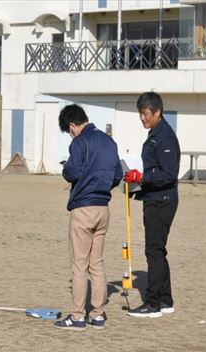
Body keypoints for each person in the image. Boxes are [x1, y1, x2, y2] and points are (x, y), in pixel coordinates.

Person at [54, 104, 123, 331]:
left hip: (83, 208)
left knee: (79, 265)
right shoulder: (109, 142)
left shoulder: (79, 142)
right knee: (97, 264)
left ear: (73, 126)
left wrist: (66, 169)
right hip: (103, 208)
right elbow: (117, 175)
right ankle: (98, 314)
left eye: (69, 130)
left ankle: (77, 316)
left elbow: (72, 172)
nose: (70, 133)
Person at [124, 91, 180, 318]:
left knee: (153, 252)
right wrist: (135, 184)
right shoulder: (156, 134)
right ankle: (166, 301)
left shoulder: (164, 136)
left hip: (162, 201)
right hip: (154, 198)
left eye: (146, 113)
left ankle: (153, 303)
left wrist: (142, 179)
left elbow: (168, 174)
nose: (143, 118)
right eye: (140, 114)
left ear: (158, 112)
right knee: (159, 251)